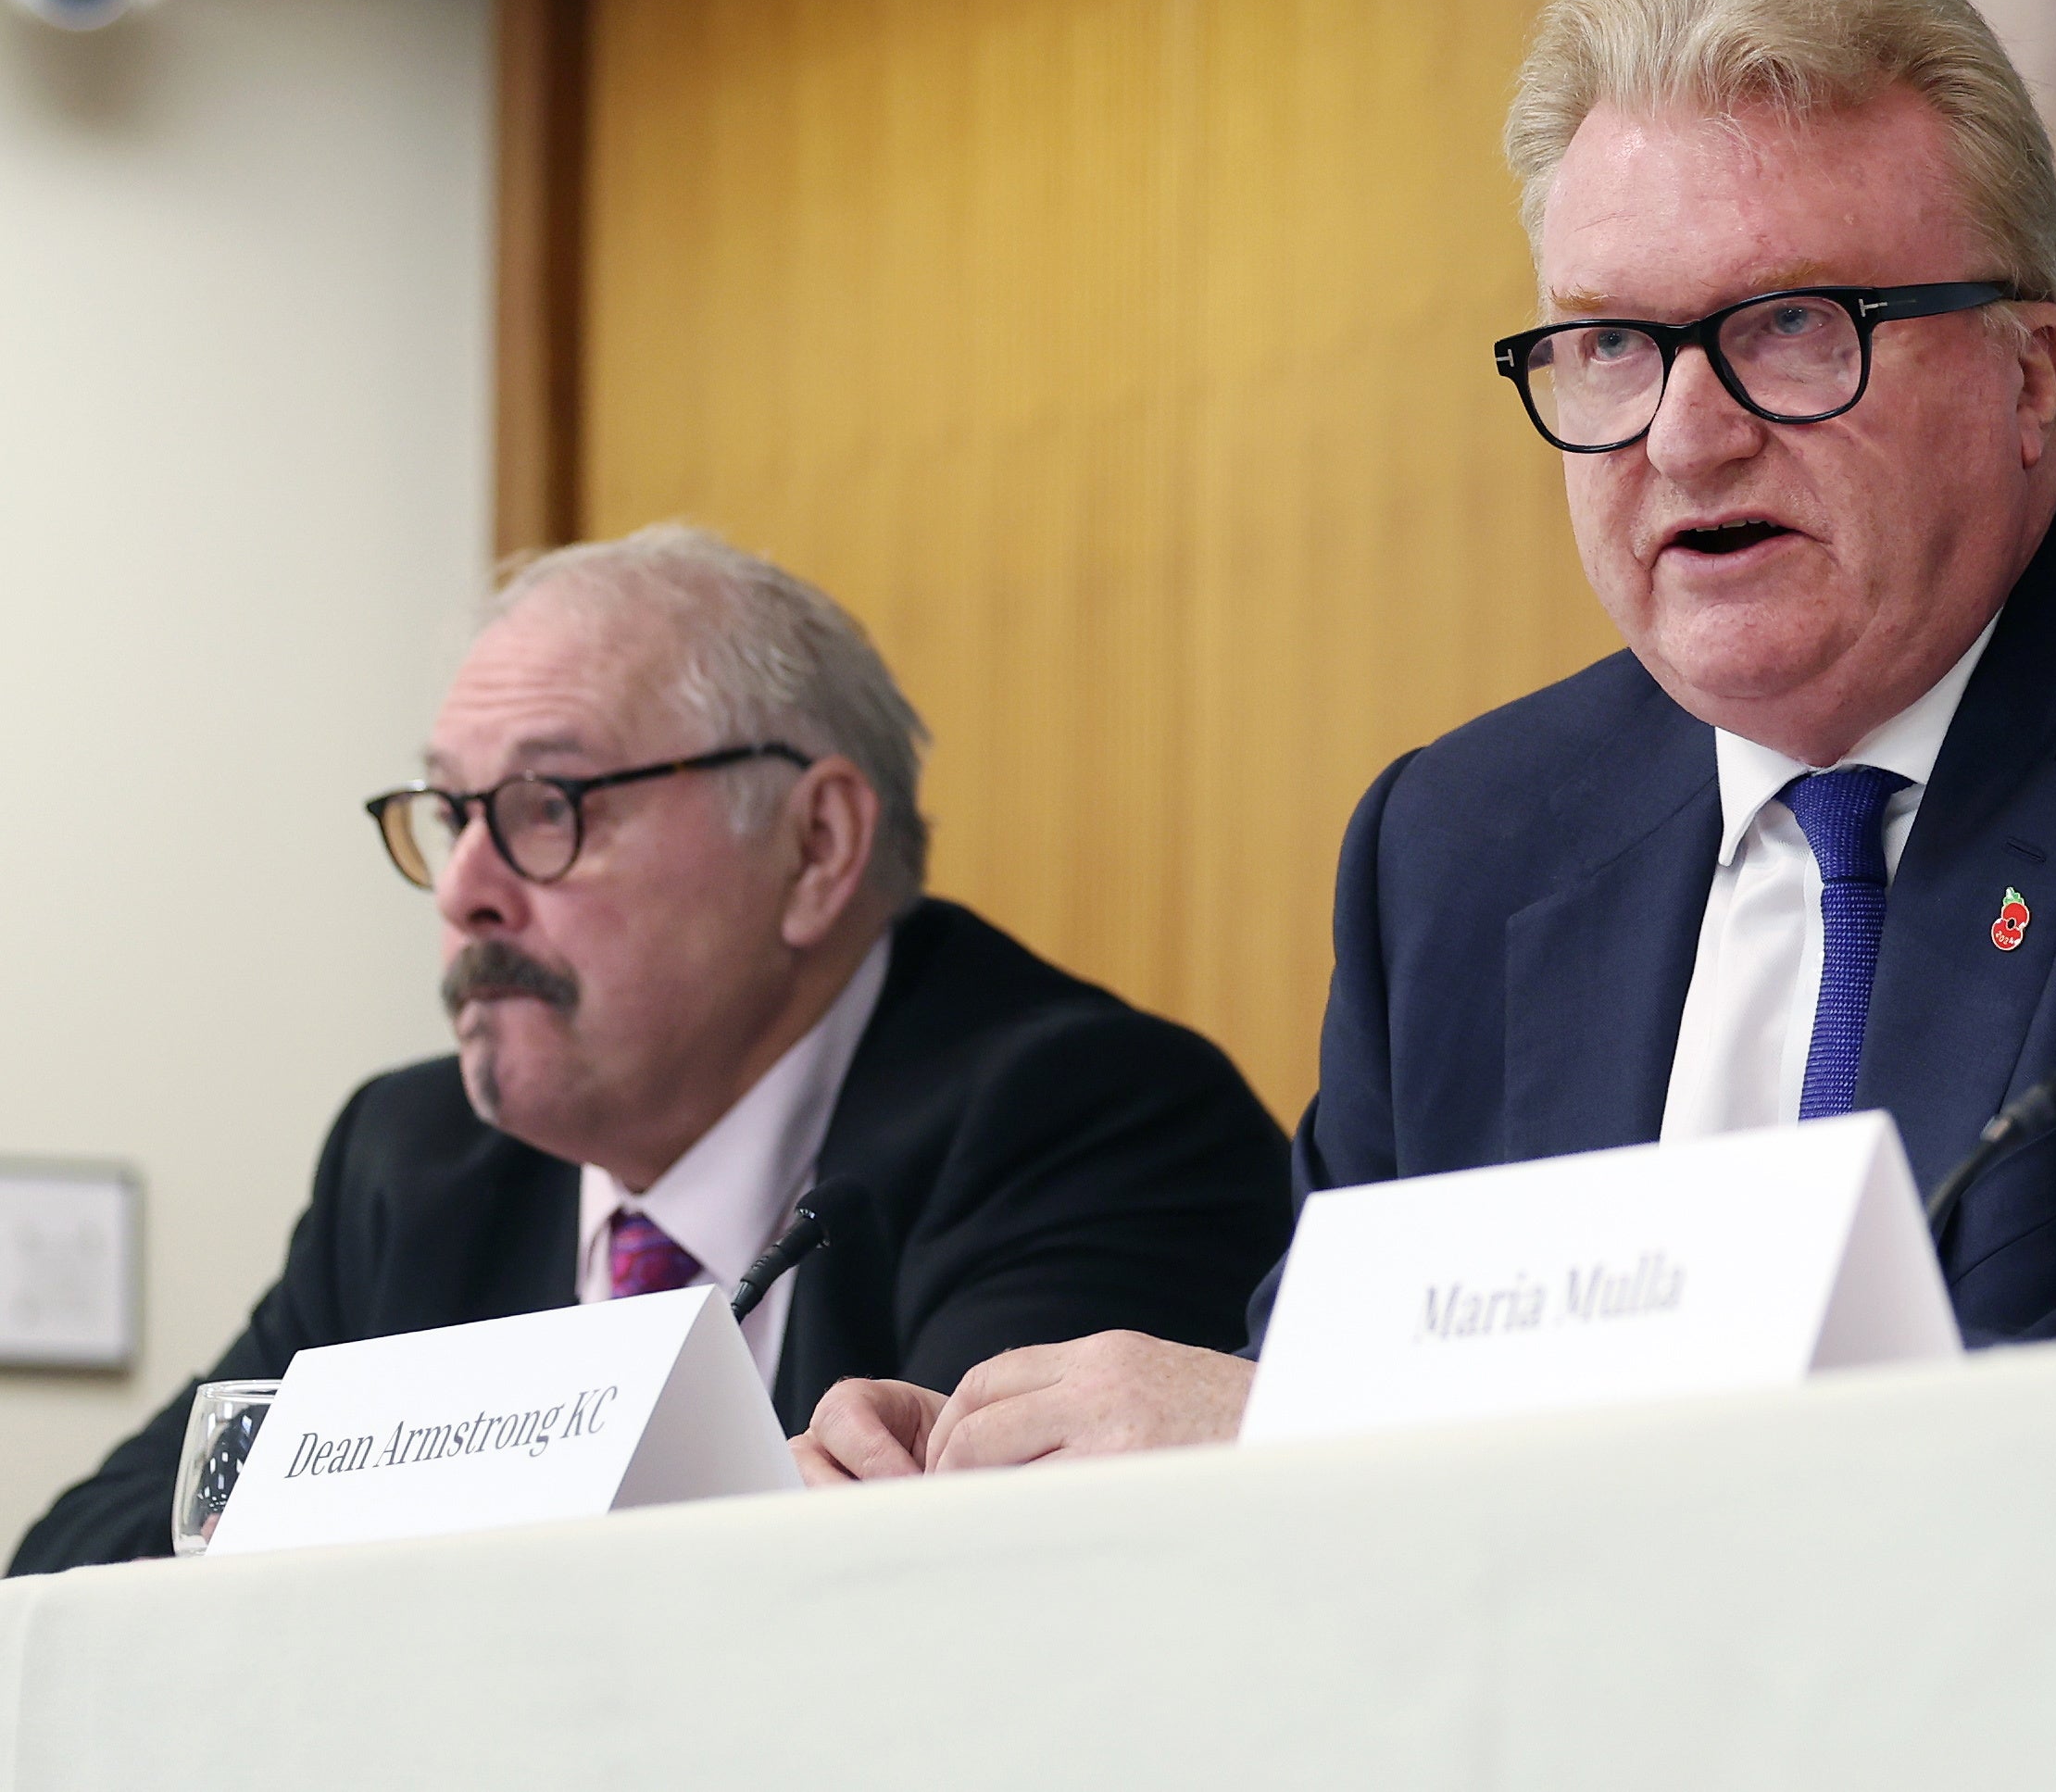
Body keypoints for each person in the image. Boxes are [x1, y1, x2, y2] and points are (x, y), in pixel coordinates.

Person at [796, 0, 2056, 1481]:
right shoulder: (1466, 842)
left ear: (2029, 372)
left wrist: (1304, 1432)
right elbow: (1305, 1404)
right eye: (1608, 345)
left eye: (1794, 327)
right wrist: (1003, 1473)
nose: (1681, 430)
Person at [12, 526, 1292, 1570]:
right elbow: (77, 1569)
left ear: (816, 848)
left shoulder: (1082, 1118)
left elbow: (965, 1607)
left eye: (546, 807)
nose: (466, 887)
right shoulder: (412, 1164)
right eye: (451, 812)